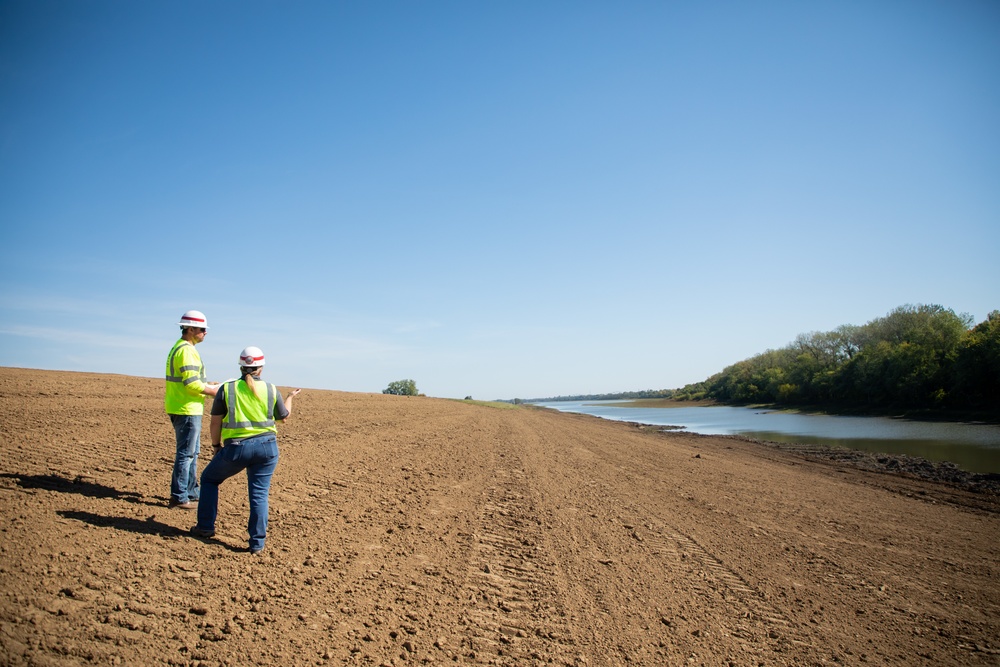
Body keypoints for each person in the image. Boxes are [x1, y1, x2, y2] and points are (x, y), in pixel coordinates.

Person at [190, 346, 301, 555]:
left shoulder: (228, 389)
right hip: (267, 449)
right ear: (261, 368)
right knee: (259, 494)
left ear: (241, 366)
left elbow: (215, 423)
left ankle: (205, 527)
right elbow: (284, 417)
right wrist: (290, 397)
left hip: (236, 449)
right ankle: (257, 543)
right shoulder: (270, 388)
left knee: (209, 480)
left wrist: (216, 446)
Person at [165, 310, 219, 509]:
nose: (205, 333)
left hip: (186, 406)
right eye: (202, 329)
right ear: (189, 328)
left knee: (192, 453)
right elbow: (190, 384)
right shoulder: (186, 350)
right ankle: (179, 496)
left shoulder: (182, 348)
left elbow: (193, 381)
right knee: (186, 454)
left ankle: (191, 491)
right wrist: (213, 391)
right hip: (185, 408)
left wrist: (208, 384)